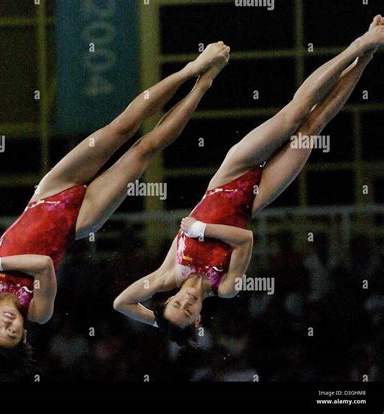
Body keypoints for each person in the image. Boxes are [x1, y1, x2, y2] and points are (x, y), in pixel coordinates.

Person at [0, 42, 230, 358]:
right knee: (143, 150)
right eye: (12, 334)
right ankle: (203, 85)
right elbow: (44, 265)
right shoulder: (38, 311)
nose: (6, 325)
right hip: (79, 221)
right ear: (23, 337)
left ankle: (192, 69)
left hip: (48, 193)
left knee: (121, 127)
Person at [113, 16, 384, 347]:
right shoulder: (226, 288)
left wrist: (160, 323)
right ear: (198, 319)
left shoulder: (168, 275)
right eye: (187, 313)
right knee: (313, 126)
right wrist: (201, 231)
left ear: (167, 299)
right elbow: (245, 239)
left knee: (293, 114)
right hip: (254, 199)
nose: (185, 304)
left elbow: (121, 304)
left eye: (175, 305)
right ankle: (368, 56)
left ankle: (358, 45)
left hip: (228, 177)